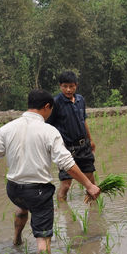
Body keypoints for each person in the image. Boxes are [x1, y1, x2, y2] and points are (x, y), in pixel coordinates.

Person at [0, 89, 100, 254]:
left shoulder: (7, 128)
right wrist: (89, 185)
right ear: (47, 107)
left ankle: (16, 240)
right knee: (43, 237)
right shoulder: (49, 131)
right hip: (38, 192)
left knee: (23, 207)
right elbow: (66, 163)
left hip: (13, 189)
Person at [47, 71, 96, 202]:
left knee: (90, 178)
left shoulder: (80, 100)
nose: (68, 90)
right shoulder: (55, 103)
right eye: (65, 86)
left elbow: (83, 120)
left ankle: (94, 212)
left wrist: (90, 140)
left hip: (83, 146)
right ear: (60, 86)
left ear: (76, 86)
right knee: (66, 184)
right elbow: (48, 126)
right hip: (66, 149)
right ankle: (64, 213)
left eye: (71, 86)